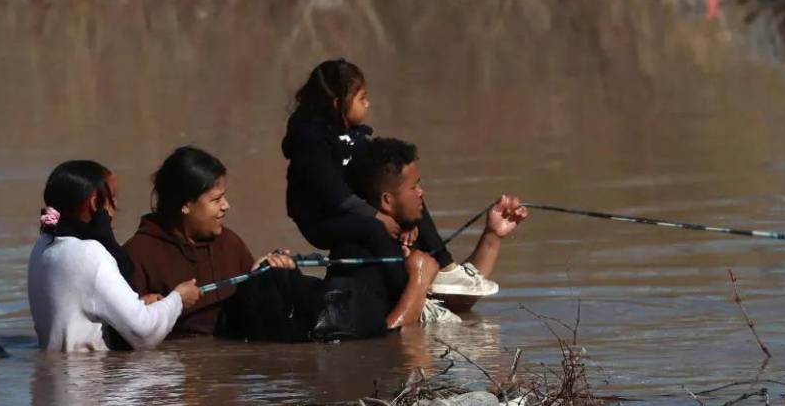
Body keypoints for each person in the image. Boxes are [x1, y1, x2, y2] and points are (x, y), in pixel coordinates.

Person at [281, 58, 497, 298]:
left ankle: (445, 267)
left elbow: (375, 179)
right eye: (362, 98)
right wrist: (377, 216)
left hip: (355, 209)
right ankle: (408, 290)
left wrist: (408, 222)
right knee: (373, 228)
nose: (368, 103)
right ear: (337, 104)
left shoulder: (355, 135)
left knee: (410, 195)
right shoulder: (310, 140)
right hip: (321, 219)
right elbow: (331, 191)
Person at [323, 137, 527, 332]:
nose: (421, 192)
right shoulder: (360, 256)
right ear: (387, 200)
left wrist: (492, 236)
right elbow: (379, 337)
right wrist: (419, 281)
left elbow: (457, 303)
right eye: (413, 187)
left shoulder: (405, 241)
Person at [122, 146, 314, 340]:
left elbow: (248, 315)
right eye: (216, 199)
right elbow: (124, 333)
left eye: (224, 196)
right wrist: (146, 308)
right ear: (185, 205)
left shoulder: (230, 243)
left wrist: (260, 275)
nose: (226, 205)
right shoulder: (138, 253)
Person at [27, 160, 199, 352]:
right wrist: (178, 299)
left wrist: (140, 305)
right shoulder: (90, 254)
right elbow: (144, 333)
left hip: (56, 369)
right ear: (95, 203)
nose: (115, 205)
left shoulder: (43, 246)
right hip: (89, 371)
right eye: (113, 197)